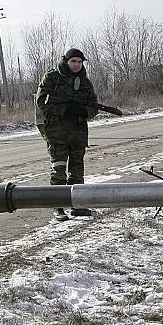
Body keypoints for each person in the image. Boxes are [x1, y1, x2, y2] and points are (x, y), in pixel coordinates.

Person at [35, 47, 99, 221]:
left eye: (79, 62)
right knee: (59, 170)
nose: (77, 65)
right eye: (73, 61)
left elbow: (94, 106)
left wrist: (83, 111)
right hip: (57, 132)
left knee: (77, 172)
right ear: (66, 61)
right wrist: (66, 109)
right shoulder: (53, 77)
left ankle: (77, 205)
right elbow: (42, 100)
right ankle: (58, 207)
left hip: (77, 133)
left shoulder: (85, 82)